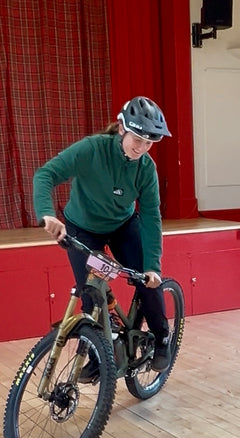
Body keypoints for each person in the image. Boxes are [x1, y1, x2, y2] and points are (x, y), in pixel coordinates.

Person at [33, 96, 172, 380]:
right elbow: (45, 175)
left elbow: (151, 216)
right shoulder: (92, 149)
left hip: (122, 227)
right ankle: (101, 355)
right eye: (137, 139)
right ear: (122, 129)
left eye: (149, 143)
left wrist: (153, 266)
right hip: (82, 228)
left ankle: (162, 337)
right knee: (90, 296)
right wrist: (47, 214)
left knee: (147, 281)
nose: (141, 148)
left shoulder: (146, 168)